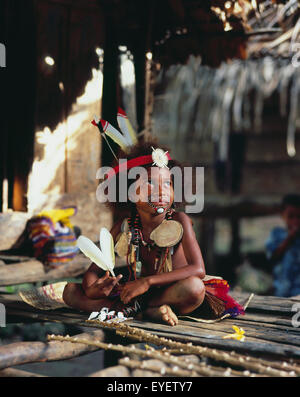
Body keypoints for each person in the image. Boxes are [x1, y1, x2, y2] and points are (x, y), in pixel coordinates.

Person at [63, 111, 244, 326]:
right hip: (132, 293)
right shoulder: (126, 225)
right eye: (150, 182)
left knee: (194, 288)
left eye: (168, 184)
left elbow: (198, 269)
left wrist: (147, 282)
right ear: (130, 193)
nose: (161, 190)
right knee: (70, 291)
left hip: (169, 292)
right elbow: (92, 272)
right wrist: (94, 289)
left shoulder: (180, 220)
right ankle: (145, 311)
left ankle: (140, 309)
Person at [265, 194, 300, 297]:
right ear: (282, 215)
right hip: (281, 291)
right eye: (291, 216)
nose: (295, 221)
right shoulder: (277, 234)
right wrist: (289, 239)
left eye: (299, 217)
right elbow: (272, 257)